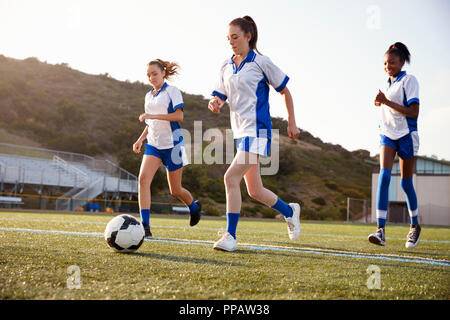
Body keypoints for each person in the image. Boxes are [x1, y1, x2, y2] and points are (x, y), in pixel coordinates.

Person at [208, 16, 301, 252]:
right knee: (255, 191)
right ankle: (289, 211)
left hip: (258, 131)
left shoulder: (261, 62)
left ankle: (230, 236)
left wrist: (291, 121)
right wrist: (215, 103)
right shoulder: (225, 66)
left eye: (235, 37)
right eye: (228, 38)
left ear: (248, 36)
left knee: (230, 178)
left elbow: (285, 91)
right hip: (239, 133)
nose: (231, 42)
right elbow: (220, 95)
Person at [133, 59, 201, 238]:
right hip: (154, 145)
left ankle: (194, 207)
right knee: (143, 180)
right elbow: (150, 123)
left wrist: (152, 115)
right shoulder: (148, 96)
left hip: (173, 145)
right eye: (148, 75)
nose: (151, 77)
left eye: (154, 74)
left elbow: (179, 116)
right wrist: (140, 139)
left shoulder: (173, 92)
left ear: (163, 73)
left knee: (175, 190)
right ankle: (145, 226)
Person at [368, 42, 421, 248]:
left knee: (405, 183)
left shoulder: (409, 80)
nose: (387, 66)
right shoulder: (389, 84)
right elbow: (388, 106)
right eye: (385, 63)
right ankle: (380, 230)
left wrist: (386, 101)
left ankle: (415, 226)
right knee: (384, 176)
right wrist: (380, 102)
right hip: (388, 134)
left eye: (391, 62)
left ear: (401, 62)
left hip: (407, 134)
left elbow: (413, 112)